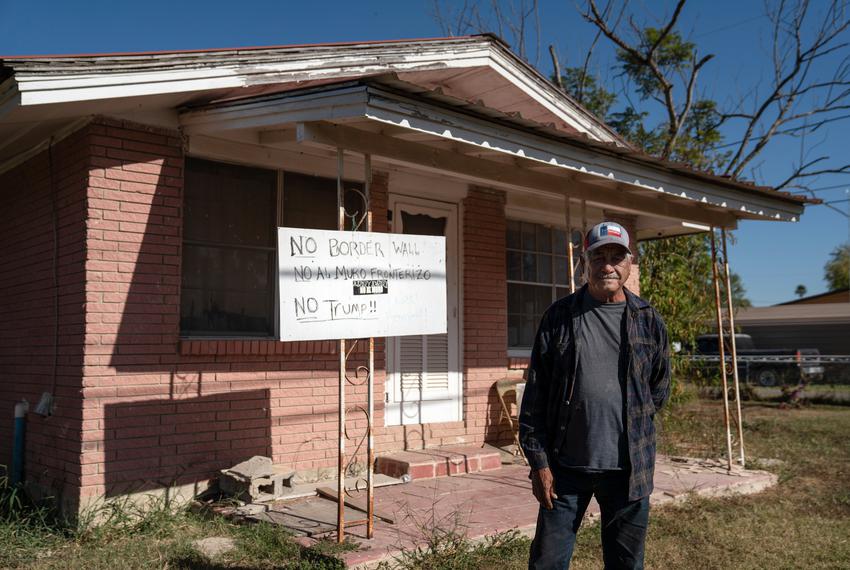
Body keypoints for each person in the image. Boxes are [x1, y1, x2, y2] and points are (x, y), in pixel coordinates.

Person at [519, 221, 670, 570]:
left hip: (628, 471)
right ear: (585, 262)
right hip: (564, 469)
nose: (607, 265)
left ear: (629, 262)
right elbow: (535, 399)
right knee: (547, 563)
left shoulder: (648, 320)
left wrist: (631, 420)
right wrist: (539, 463)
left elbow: (658, 390)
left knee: (626, 564)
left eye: (616, 256)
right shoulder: (559, 318)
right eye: (598, 256)